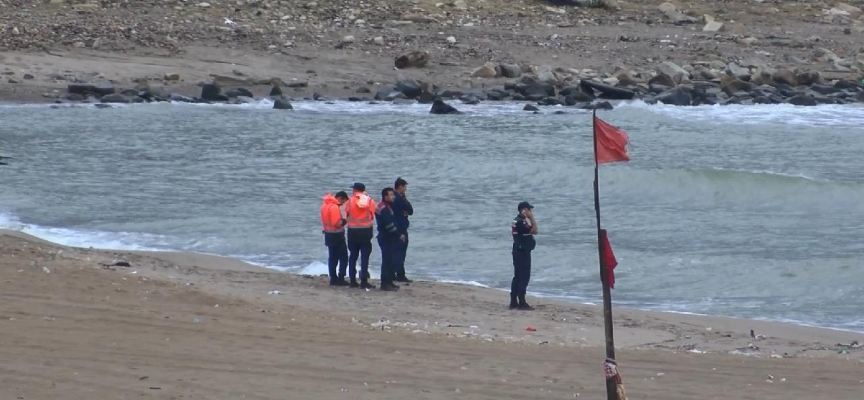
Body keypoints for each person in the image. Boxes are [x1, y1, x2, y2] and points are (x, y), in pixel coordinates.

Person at [345, 182, 377, 289]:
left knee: (353, 256)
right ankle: (364, 281)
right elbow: (372, 215)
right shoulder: (369, 200)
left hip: (353, 232)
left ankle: (352, 281)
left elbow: (346, 214)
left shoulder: (349, 201)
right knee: (365, 257)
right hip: (366, 232)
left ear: (355, 190)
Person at [375, 187, 405, 291]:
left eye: (393, 195)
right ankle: (385, 283)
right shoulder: (384, 208)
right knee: (387, 260)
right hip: (385, 237)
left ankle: (389, 281)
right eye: (391, 195)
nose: (393, 197)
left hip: (389, 237)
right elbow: (388, 224)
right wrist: (399, 234)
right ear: (385, 196)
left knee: (390, 260)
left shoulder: (388, 206)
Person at [510, 201, 538, 310]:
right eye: (529, 210)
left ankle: (514, 301)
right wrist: (532, 219)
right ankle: (521, 301)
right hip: (522, 252)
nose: (530, 212)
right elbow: (535, 231)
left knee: (517, 276)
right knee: (524, 276)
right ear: (524, 210)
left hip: (518, 250)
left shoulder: (517, 221)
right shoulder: (521, 222)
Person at [320, 191, 350, 286]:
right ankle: (341, 278)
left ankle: (333, 278)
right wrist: (345, 220)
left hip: (328, 234)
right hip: (337, 235)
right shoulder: (334, 207)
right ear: (341, 198)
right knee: (343, 257)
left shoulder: (325, 205)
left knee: (332, 257)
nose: (342, 204)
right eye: (343, 201)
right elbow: (337, 224)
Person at [391, 177, 414, 283]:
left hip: (393, 228)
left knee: (394, 252)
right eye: (405, 187)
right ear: (400, 187)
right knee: (401, 252)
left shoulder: (391, 198)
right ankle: (400, 274)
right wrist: (405, 199)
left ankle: (392, 273)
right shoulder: (399, 198)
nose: (405, 189)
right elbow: (410, 210)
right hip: (401, 228)